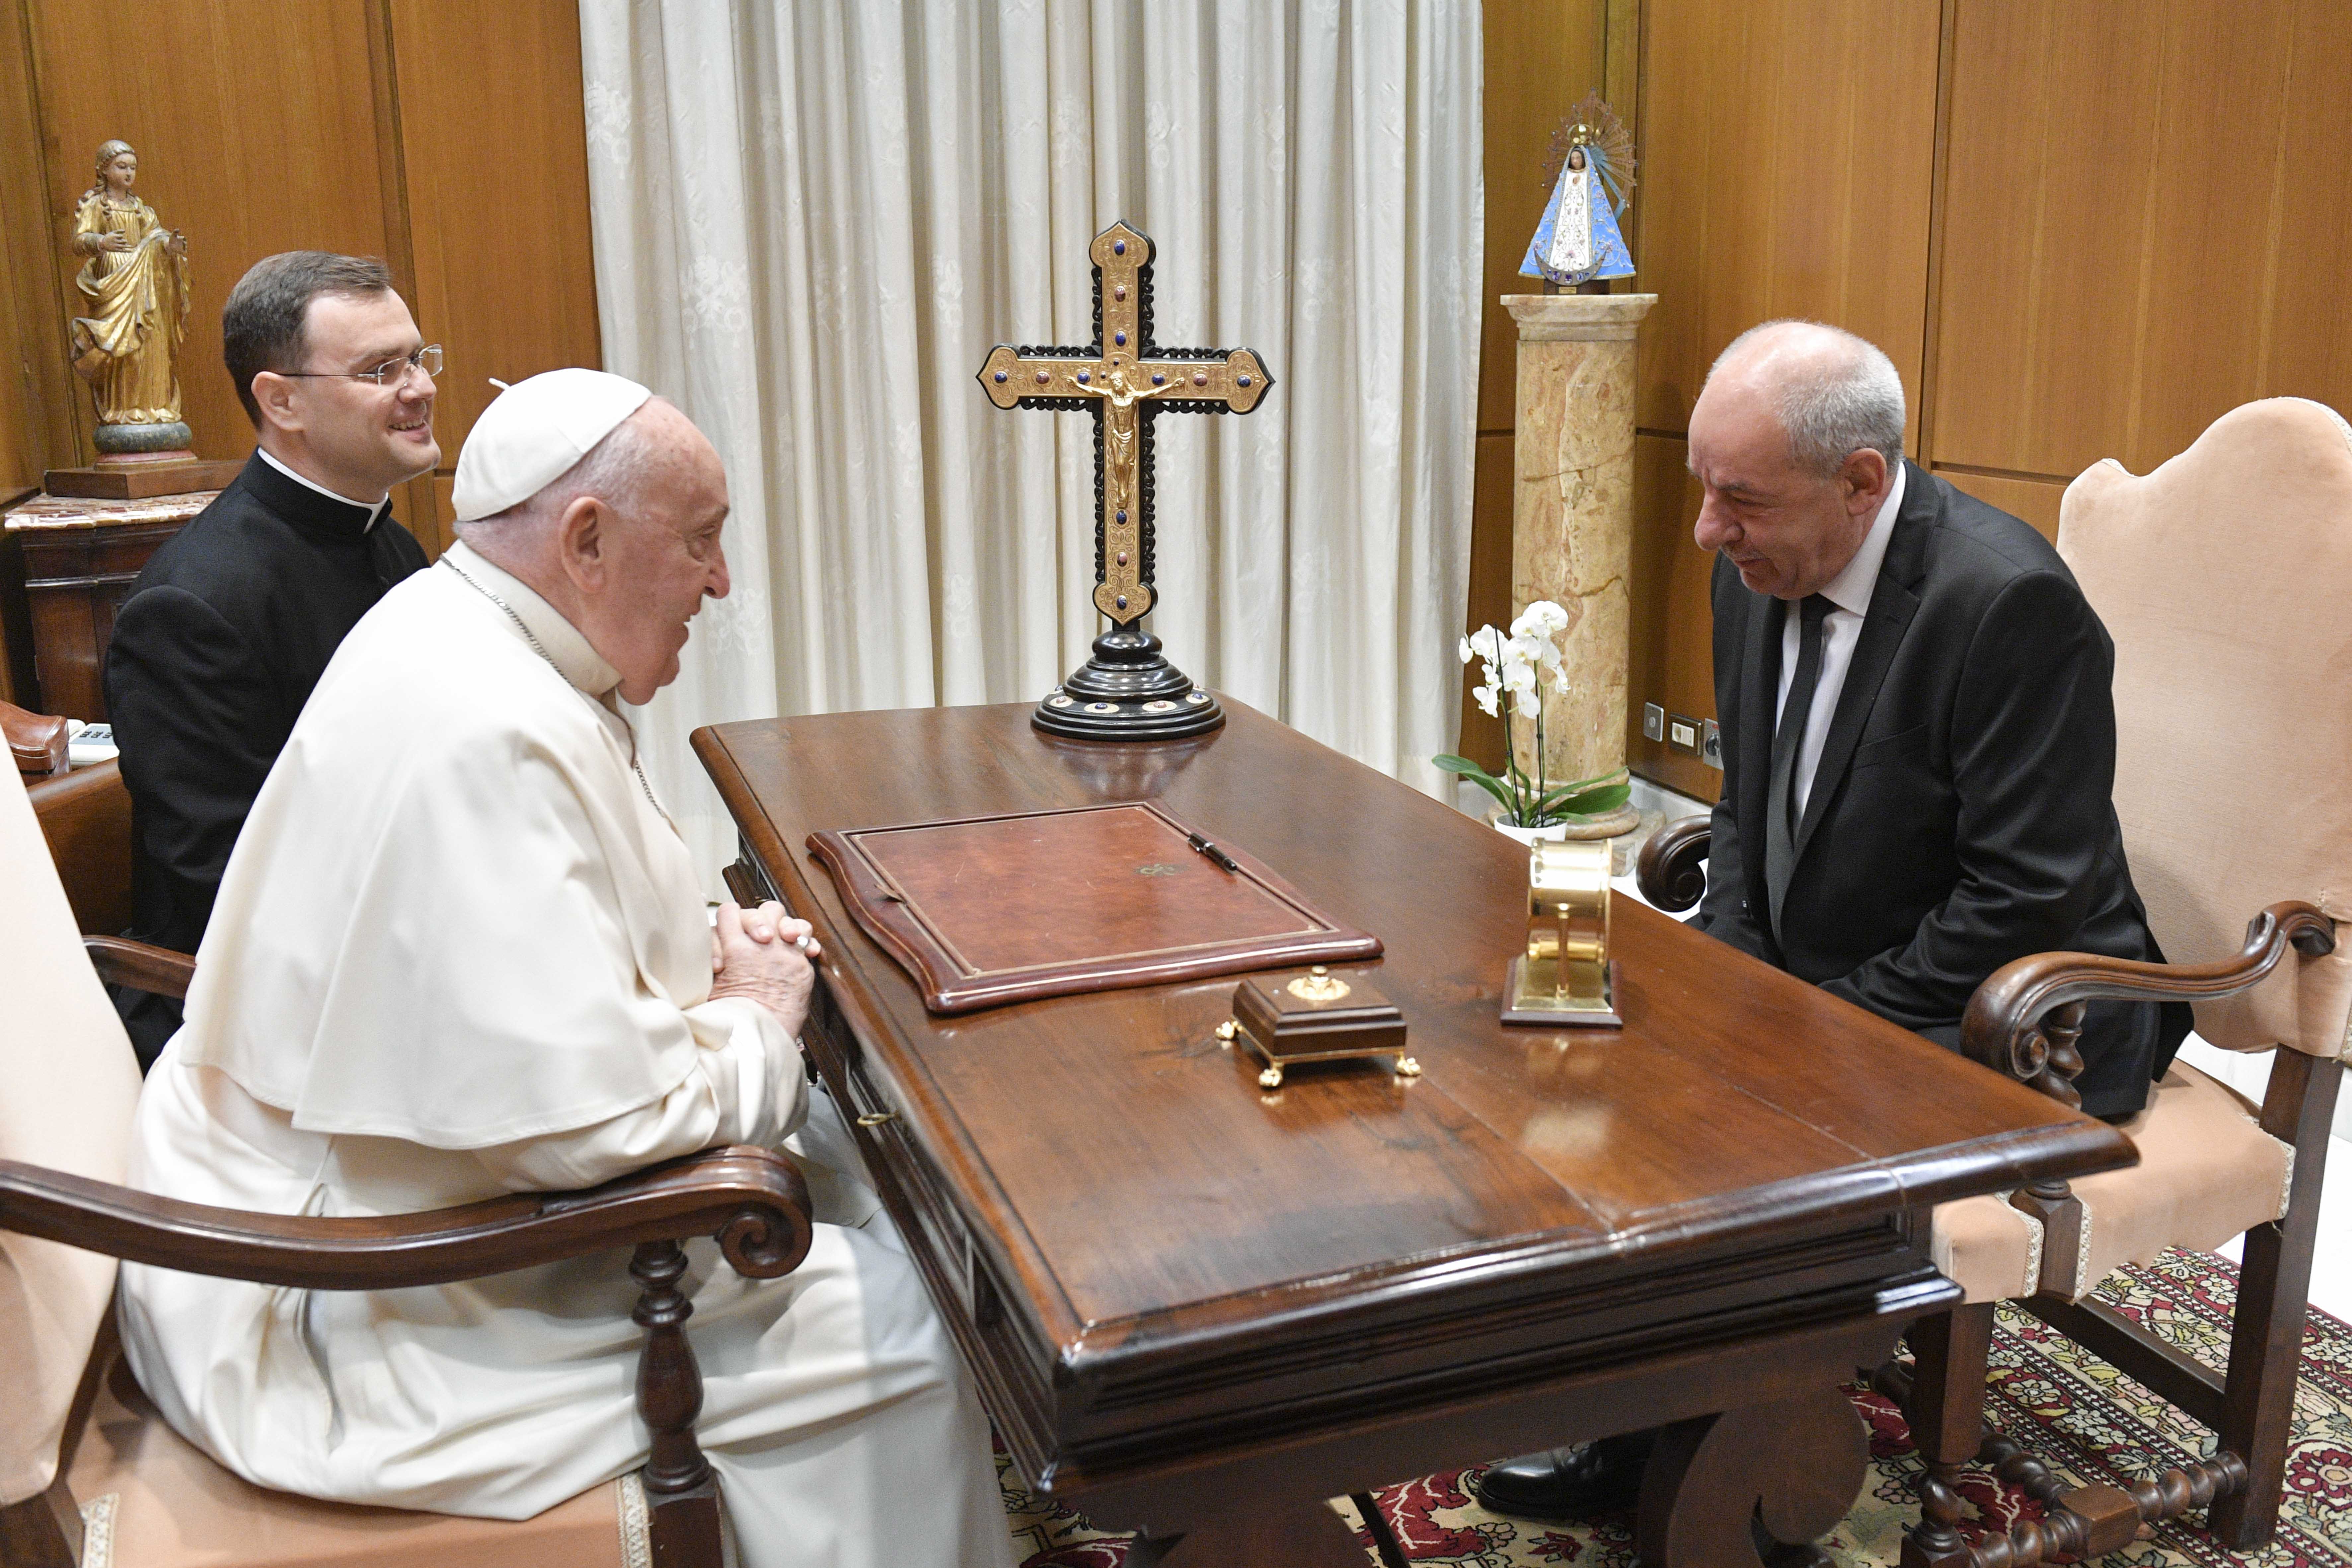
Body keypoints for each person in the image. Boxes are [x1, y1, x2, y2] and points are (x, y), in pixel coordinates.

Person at [116, 370, 1014, 1568]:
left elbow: (511, 965)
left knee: (869, 1182)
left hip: (390, 1193)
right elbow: (597, 1131)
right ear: (585, 539)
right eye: (700, 541)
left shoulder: (462, 631)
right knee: (909, 1320)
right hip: (360, 1311)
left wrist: (697, 944)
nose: (721, 582)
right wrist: (751, 1015)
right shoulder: (483, 725)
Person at [1474, 319, 2186, 1523]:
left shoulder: (2005, 603)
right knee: (1587, 1070)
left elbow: (2023, 896)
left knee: (1716, 1136)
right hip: (1836, 969)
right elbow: (1745, 813)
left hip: (2024, 1016)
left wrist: (1804, 1037)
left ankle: (1741, 1470)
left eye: (1736, 497)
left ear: (1860, 483)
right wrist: (1731, 990)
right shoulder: (1755, 566)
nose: (1706, 527)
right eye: (1704, 489)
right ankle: (1633, 1403)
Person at [103, 252, 437, 1066]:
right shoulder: (191, 607)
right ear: (281, 399)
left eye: (419, 358)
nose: (421, 387)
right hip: (270, 1024)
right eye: (380, 369)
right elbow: (231, 889)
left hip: (402, 952)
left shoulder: (394, 547)